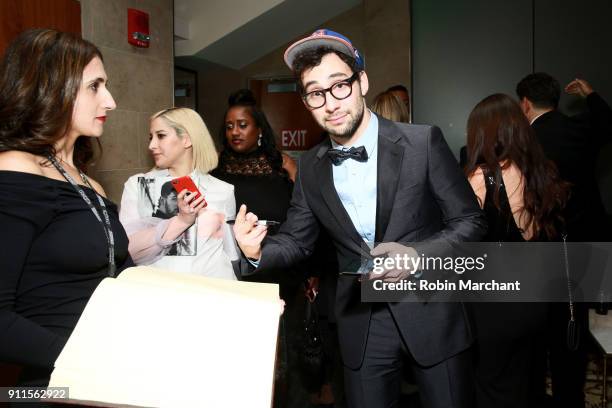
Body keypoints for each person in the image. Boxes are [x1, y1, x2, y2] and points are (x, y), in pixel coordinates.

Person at [233, 29, 486, 408]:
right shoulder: (312, 168)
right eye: (316, 93)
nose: (330, 103)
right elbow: (297, 241)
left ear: (362, 82)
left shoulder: (422, 143)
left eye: (339, 86)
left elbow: (471, 223)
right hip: (362, 321)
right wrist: (255, 251)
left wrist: (416, 256)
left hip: (430, 310)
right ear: (306, 100)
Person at [0, 28, 133, 387]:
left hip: (106, 374)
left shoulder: (92, 185)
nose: (110, 101)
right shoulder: (16, 168)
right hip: (52, 385)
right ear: (50, 87)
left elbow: (126, 279)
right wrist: (86, 360)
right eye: (95, 86)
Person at [464, 93, 569, 407]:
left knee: (487, 390)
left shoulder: (481, 179)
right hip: (534, 305)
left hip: (492, 309)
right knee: (522, 387)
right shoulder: (540, 175)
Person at [516, 73, 612, 407]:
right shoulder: (580, 128)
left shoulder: (525, 141)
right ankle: (571, 397)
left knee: (540, 330)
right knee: (575, 325)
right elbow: (608, 123)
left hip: (545, 245)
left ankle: (538, 395)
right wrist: (591, 93)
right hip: (586, 243)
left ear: (525, 103)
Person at [120, 108, 236, 279]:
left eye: (161, 135)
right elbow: (127, 251)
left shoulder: (223, 190)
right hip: (159, 294)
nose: (151, 145)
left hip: (213, 294)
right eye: (151, 137)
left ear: (187, 139)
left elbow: (231, 254)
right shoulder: (138, 186)